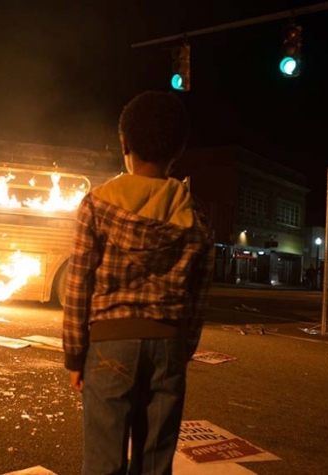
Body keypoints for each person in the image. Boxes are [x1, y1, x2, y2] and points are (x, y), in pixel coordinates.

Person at [63, 90, 215, 475]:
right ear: (177, 149)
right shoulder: (194, 214)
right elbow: (199, 296)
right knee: (155, 458)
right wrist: (184, 349)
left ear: (124, 143)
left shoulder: (97, 203)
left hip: (109, 342)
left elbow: (78, 285)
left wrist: (74, 355)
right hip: (169, 342)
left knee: (104, 460)